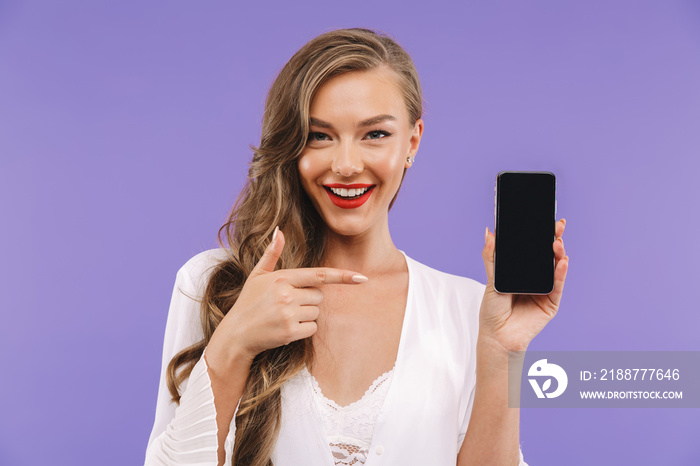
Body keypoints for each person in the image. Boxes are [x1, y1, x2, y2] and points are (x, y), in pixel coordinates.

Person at [145, 28, 569, 466]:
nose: (346, 165)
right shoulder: (213, 285)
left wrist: (503, 351)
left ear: (413, 141)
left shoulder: (468, 310)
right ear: (291, 145)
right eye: (319, 135)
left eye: (375, 135)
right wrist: (233, 343)